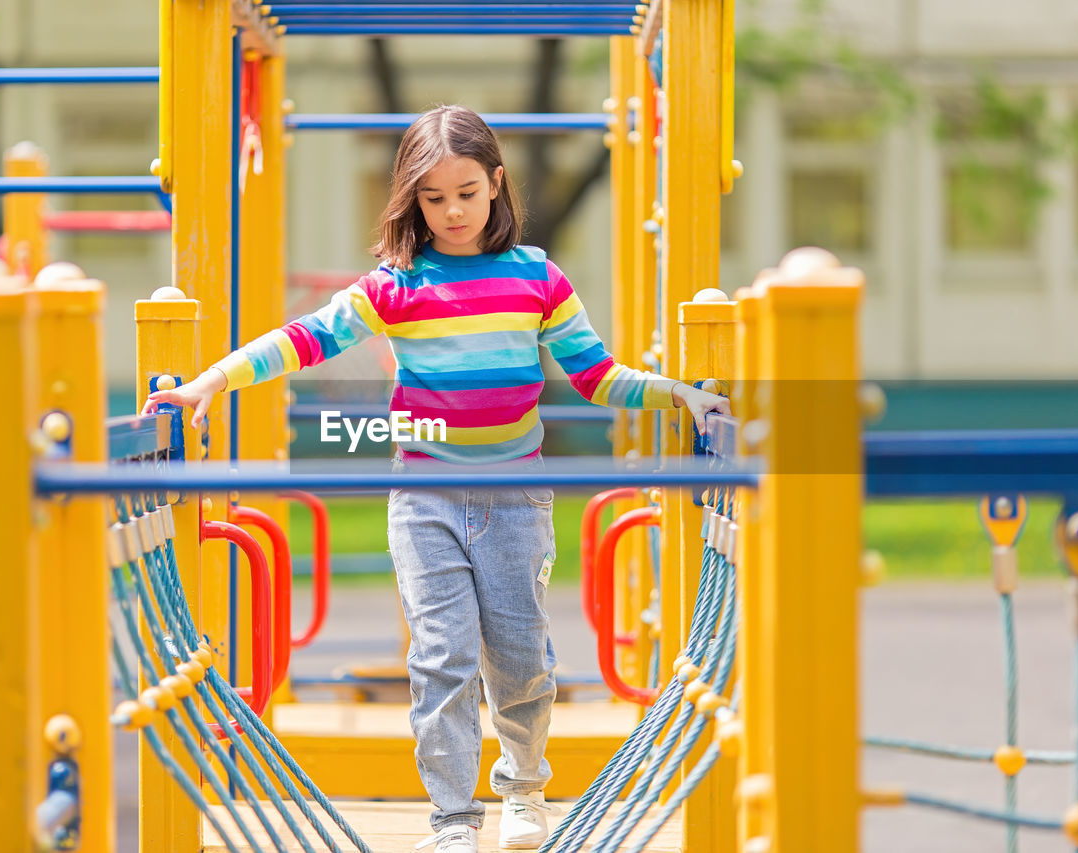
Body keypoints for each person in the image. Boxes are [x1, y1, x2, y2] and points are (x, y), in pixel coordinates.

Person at [143, 105, 729, 853]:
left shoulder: (537, 277)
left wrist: (677, 391)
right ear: (411, 199)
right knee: (441, 656)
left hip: (515, 495)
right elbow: (303, 339)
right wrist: (209, 383)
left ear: (497, 185)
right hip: (424, 496)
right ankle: (453, 818)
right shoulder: (399, 284)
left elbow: (595, 374)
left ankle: (523, 788)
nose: (451, 211)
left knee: (519, 658)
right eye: (432, 197)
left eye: (466, 192)